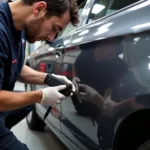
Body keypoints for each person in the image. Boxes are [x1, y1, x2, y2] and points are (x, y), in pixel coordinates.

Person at [0, 0, 78, 149]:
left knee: (26, 105)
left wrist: (48, 78)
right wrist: (41, 95)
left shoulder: (20, 26)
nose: (52, 38)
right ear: (39, 9)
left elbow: (14, 65)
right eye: (55, 28)